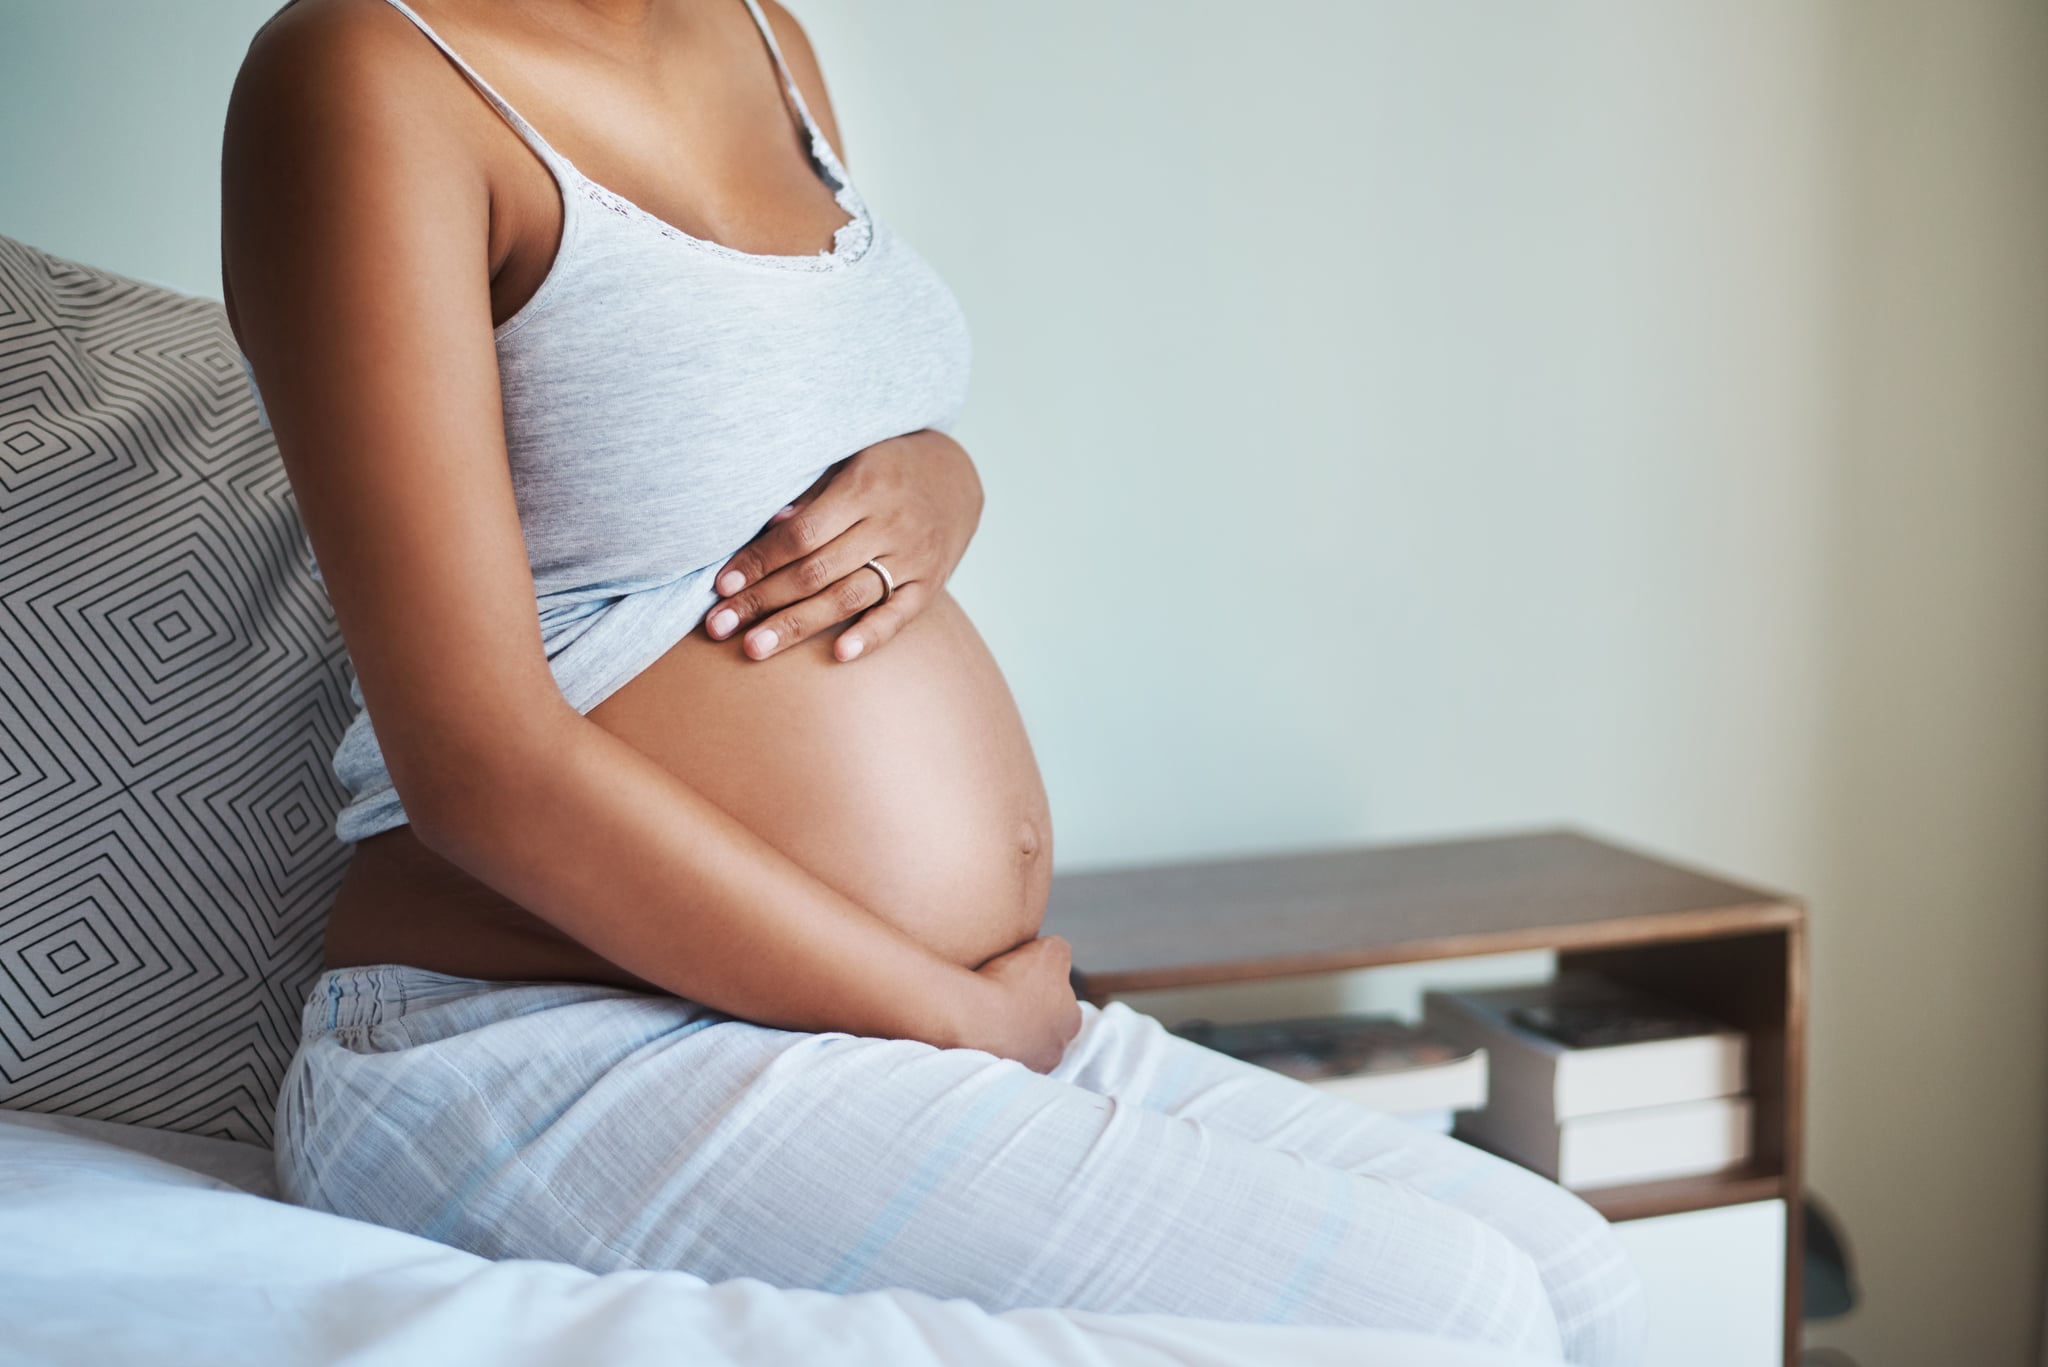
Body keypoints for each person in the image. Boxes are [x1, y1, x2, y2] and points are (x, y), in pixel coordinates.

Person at [219, 2, 1644, 1361]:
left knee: (1577, 1273)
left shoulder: (769, 43)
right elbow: (475, 762)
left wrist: (945, 482)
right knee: (1459, 1318)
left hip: (876, 1016)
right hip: (546, 1046)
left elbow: (779, 435)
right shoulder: (365, 73)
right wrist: (947, 1019)